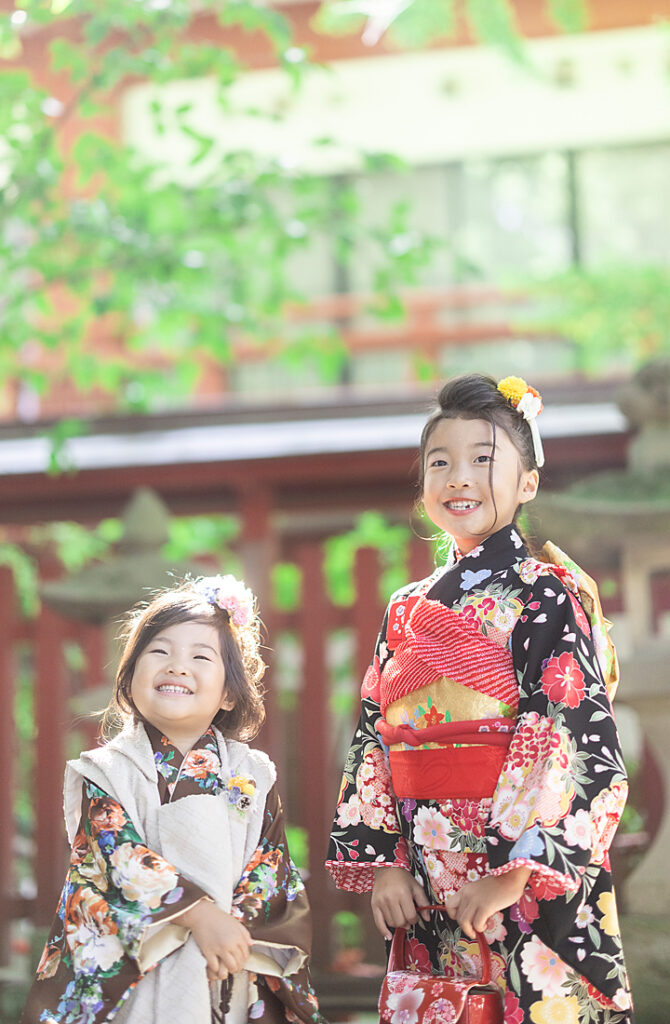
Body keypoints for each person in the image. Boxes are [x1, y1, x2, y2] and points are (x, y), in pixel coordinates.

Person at [326, 373, 633, 1023]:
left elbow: (563, 732)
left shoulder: (544, 592)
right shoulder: (406, 605)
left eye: (482, 459)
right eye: (440, 462)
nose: (458, 477)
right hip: (424, 868)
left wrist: (516, 871)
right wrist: (384, 863)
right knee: (443, 1003)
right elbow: (376, 734)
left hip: (515, 870)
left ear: (528, 483)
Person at [24, 575, 326, 1024]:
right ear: (128, 679)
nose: (177, 666)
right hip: (142, 959)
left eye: (200, 656)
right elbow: (113, 855)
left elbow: (271, 864)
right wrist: (199, 916)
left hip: (227, 956)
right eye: (160, 652)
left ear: (227, 693)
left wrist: (232, 929)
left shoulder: (252, 773)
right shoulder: (106, 770)